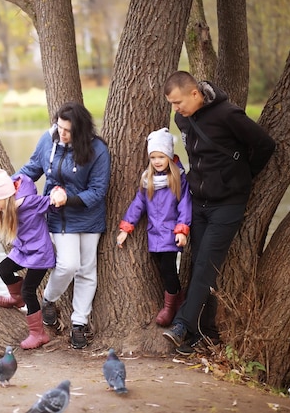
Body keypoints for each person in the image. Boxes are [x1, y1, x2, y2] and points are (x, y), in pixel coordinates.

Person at [162, 71, 276, 355]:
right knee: (200, 266)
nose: (176, 109)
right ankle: (207, 333)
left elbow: (265, 145)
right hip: (198, 203)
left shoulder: (228, 115)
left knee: (204, 266)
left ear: (195, 93)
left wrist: (243, 176)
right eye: (172, 105)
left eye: (178, 102)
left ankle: (181, 325)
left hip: (227, 205)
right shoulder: (183, 119)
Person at [16, 101, 111, 349]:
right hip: (59, 217)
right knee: (68, 265)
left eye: (67, 130)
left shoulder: (98, 149)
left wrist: (70, 198)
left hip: (89, 217)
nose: (61, 133)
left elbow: (98, 191)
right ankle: (48, 299)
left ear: (80, 131)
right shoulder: (48, 141)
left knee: (87, 271)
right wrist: (10, 185)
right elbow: (31, 169)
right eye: (59, 126)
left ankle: (78, 323)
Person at [0, 166, 66, 349]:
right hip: (22, 250)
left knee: (29, 290)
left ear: (5, 196)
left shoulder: (30, 202)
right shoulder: (10, 205)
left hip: (40, 254)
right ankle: (16, 298)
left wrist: (58, 193)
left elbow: (53, 204)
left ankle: (38, 334)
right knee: (3, 269)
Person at [117, 127, 192, 327]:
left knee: (169, 268)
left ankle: (171, 307)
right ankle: (178, 301)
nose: (157, 161)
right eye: (153, 157)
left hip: (170, 233)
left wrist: (182, 230)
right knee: (162, 269)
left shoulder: (178, 178)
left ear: (169, 155)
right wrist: (126, 228)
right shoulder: (147, 179)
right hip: (154, 233)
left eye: (161, 156)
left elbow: (185, 205)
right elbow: (138, 204)